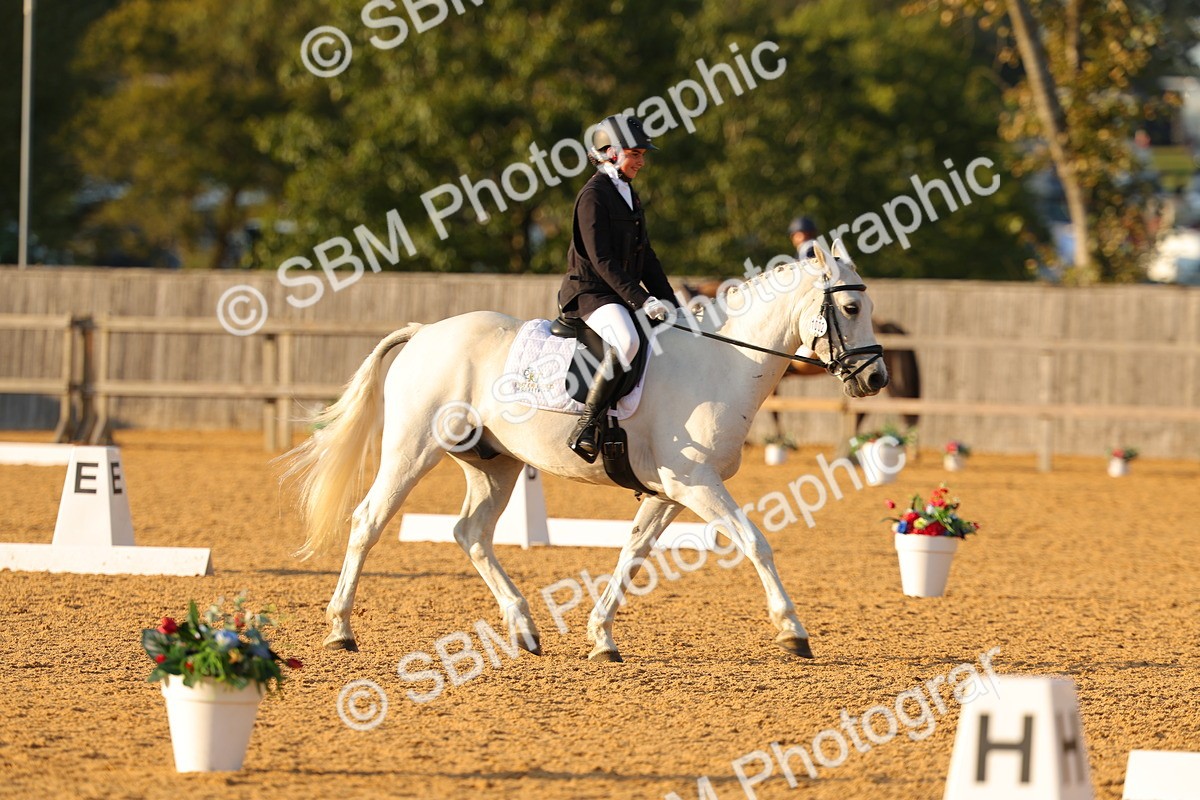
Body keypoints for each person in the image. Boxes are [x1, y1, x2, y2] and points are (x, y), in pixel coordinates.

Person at [558, 114, 677, 462]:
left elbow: (647, 256)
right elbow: (601, 259)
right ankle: (586, 424)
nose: (641, 161)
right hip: (590, 294)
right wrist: (641, 299)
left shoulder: (628, 194)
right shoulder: (593, 196)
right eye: (635, 153)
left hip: (617, 295)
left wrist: (671, 302)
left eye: (643, 154)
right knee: (627, 340)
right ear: (609, 152)